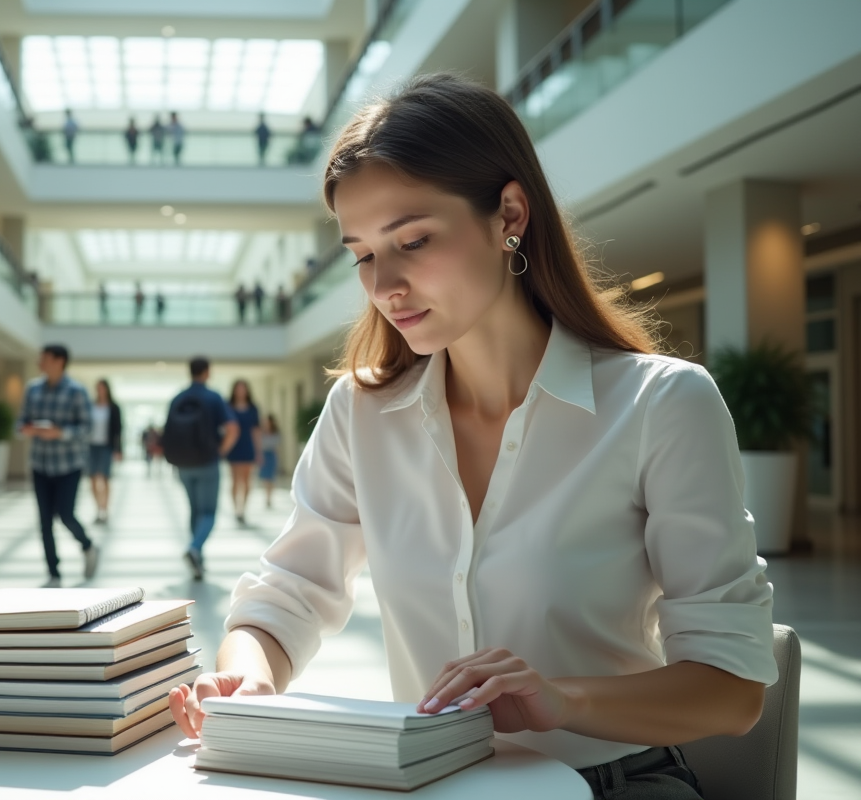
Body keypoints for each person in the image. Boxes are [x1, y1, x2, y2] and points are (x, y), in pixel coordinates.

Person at [169, 74, 777, 800]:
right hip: (432, 786)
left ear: (509, 215)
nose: (384, 285)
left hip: (614, 785)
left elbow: (733, 690)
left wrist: (562, 699)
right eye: (362, 254)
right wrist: (248, 673)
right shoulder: (359, 414)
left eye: (413, 241)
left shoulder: (661, 405)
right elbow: (287, 594)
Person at [18, 344, 99, 583]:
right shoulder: (32, 389)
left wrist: (60, 433)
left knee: (65, 514)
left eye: (44, 358)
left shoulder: (76, 391)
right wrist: (28, 429)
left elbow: (87, 429)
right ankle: (53, 571)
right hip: (40, 464)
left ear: (59, 361)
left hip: (68, 465)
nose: (39, 363)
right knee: (44, 520)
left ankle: (87, 545)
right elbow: (20, 422)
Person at [162, 357, 239, 581]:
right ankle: (194, 549)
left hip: (183, 464)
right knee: (208, 513)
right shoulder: (213, 397)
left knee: (195, 511)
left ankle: (198, 561)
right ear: (206, 372)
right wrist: (221, 451)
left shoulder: (178, 397)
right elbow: (232, 428)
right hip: (207, 462)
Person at [224, 379, 261, 524]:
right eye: (238, 388)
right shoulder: (228, 407)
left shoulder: (253, 408)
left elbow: (256, 431)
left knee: (246, 480)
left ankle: (243, 509)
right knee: (234, 480)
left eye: (243, 388)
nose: (240, 391)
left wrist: (259, 451)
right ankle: (235, 509)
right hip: (234, 447)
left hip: (248, 446)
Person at [87, 379, 123, 525]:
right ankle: (98, 508)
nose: (100, 391)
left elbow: (118, 430)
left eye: (102, 388)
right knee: (93, 479)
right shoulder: (91, 406)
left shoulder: (114, 408)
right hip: (91, 446)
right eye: (98, 388)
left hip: (106, 446)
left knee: (105, 478)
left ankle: (105, 509)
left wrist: (118, 449)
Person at [257, 414, 280, 509]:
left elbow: (277, 443)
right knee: (265, 478)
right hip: (263, 455)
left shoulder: (275, 432)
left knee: (271, 477)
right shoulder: (260, 432)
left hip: (272, 455)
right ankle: (267, 497)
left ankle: (269, 497)